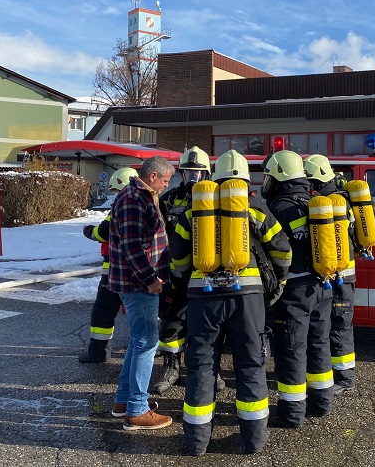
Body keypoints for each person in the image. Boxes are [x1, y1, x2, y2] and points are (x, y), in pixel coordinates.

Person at [174, 150, 292, 455]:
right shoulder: (255, 207)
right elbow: (282, 250)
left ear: (214, 174)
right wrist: (277, 284)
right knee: (251, 364)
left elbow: (178, 258)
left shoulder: (194, 209)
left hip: (204, 300)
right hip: (247, 300)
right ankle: (254, 440)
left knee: (200, 365)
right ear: (245, 176)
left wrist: (190, 280)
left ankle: (196, 442)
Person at [262, 150, 334, 428]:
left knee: (291, 348)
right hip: (323, 287)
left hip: (293, 292)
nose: (265, 182)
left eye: (268, 176)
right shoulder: (316, 203)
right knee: (319, 344)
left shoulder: (278, 209)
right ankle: (321, 402)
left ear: (279, 176)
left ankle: (292, 414)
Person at [152, 147, 227, 395]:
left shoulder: (219, 199)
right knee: (171, 324)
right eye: (188, 173)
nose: (193, 179)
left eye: (198, 174)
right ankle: (171, 368)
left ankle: (209, 372)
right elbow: (156, 236)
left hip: (208, 275)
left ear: (208, 173)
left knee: (208, 327)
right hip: (175, 274)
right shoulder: (169, 199)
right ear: (181, 174)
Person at [108, 155, 174, 431]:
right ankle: (137, 410)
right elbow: (132, 246)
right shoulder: (135, 200)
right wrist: (150, 279)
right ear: (153, 177)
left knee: (138, 342)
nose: (167, 185)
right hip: (138, 284)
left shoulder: (138, 195)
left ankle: (123, 402)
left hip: (134, 282)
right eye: (166, 180)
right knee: (146, 344)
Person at [303, 154, 357, 395]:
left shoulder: (332, 203)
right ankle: (334, 373)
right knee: (336, 323)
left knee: (339, 325)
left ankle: (345, 378)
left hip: (339, 275)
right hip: (340, 273)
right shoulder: (344, 198)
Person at [78, 167, 138, 363]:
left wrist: (88, 230)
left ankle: (98, 353)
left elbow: (102, 233)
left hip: (114, 271)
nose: (115, 195)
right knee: (141, 312)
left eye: (115, 191)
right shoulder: (148, 205)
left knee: (103, 311)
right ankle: (146, 349)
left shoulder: (121, 207)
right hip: (140, 271)